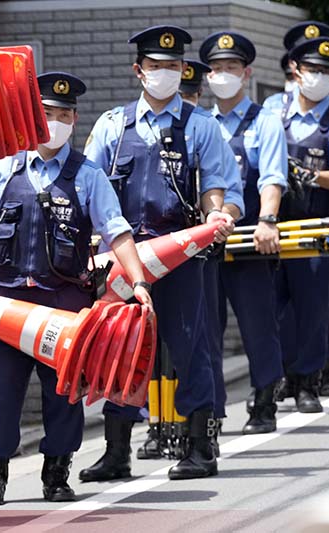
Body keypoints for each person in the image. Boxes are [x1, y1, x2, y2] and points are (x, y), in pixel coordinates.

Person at [0, 71, 154, 506]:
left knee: (64, 394)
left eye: (62, 114)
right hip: (7, 303)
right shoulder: (1, 169)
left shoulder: (87, 175)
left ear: (74, 119)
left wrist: (137, 281)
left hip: (65, 304)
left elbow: (116, 231)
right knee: (0, 393)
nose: (53, 123)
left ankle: (57, 471)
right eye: (45, 115)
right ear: (30, 120)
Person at [81, 25, 238, 482]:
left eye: (173, 67)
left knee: (191, 348)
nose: (165, 73)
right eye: (155, 67)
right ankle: (116, 452)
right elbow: (90, 189)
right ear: (138, 71)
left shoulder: (201, 126)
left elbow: (215, 186)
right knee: (120, 350)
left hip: (181, 253)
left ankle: (200, 447)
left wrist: (216, 216)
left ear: (184, 69)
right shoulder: (113, 124)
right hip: (124, 258)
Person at [200, 31, 288, 434]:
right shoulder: (200, 122)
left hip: (251, 236)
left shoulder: (264, 121)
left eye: (230, 68)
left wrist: (268, 219)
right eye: (215, 69)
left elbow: (272, 177)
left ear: (246, 72)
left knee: (257, 323)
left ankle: (265, 400)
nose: (222, 75)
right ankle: (211, 411)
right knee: (205, 329)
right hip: (205, 242)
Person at [271, 36, 329, 412]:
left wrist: (310, 175)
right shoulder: (274, 110)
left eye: (327, 71)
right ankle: (282, 376)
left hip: (321, 224)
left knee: (314, 305)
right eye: (313, 70)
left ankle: (309, 380)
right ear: (295, 69)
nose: (320, 77)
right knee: (275, 306)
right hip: (276, 222)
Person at [264, 21, 329, 118]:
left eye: (325, 69)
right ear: (293, 65)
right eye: (311, 69)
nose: (319, 76)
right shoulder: (275, 105)